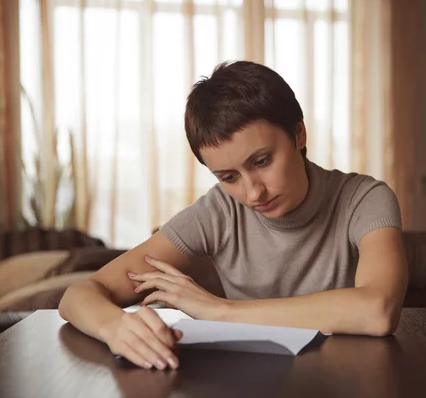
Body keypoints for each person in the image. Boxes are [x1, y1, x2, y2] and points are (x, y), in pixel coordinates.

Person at [58, 60, 408, 371]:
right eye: (229, 177)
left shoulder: (365, 199)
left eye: (262, 161)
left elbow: (378, 310)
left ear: (298, 134)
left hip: (347, 381)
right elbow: (81, 294)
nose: (253, 193)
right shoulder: (218, 212)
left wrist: (217, 311)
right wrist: (114, 327)